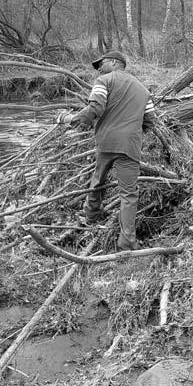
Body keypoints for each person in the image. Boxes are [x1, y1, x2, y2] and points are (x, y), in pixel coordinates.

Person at [56, 51, 156, 251]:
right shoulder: (144, 90)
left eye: (100, 64)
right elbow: (150, 121)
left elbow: (95, 110)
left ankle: (91, 215)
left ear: (114, 62)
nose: (98, 68)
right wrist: (132, 132)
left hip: (106, 141)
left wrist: (68, 119)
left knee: (98, 179)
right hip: (130, 145)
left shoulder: (104, 81)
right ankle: (126, 241)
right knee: (129, 194)